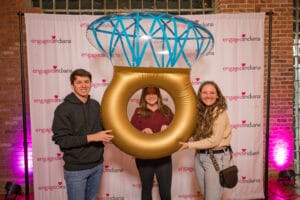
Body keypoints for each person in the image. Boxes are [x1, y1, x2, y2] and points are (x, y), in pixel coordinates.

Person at [52, 68, 114, 200]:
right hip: (76, 169)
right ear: (72, 85)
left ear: (91, 84)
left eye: (86, 82)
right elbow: (62, 140)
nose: (83, 85)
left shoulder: (96, 105)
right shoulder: (63, 109)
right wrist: (92, 137)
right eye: (79, 82)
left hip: (97, 165)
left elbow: (104, 129)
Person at [178, 81, 232, 200]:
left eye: (212, 93)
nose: (208, 95)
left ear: (217, 95)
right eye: (205, 92)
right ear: (200, 94)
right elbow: (194, 131)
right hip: (200, 156)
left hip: (216, 159)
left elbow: (214, 141)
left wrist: (189, 145)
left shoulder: (219, 113)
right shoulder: (202, 112)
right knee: (206, 196)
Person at [130, 87, 174, 200]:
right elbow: (130, 134)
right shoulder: (138, 112)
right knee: (146, 190)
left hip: (163, 157)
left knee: (165, 192)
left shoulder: (167, 110)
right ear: (143, 96)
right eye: (147, 93)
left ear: (158, 95)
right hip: (144, 158)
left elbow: (177, 131)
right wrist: (142, 132)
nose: (151, 96)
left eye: (154, 93)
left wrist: (168, 129)